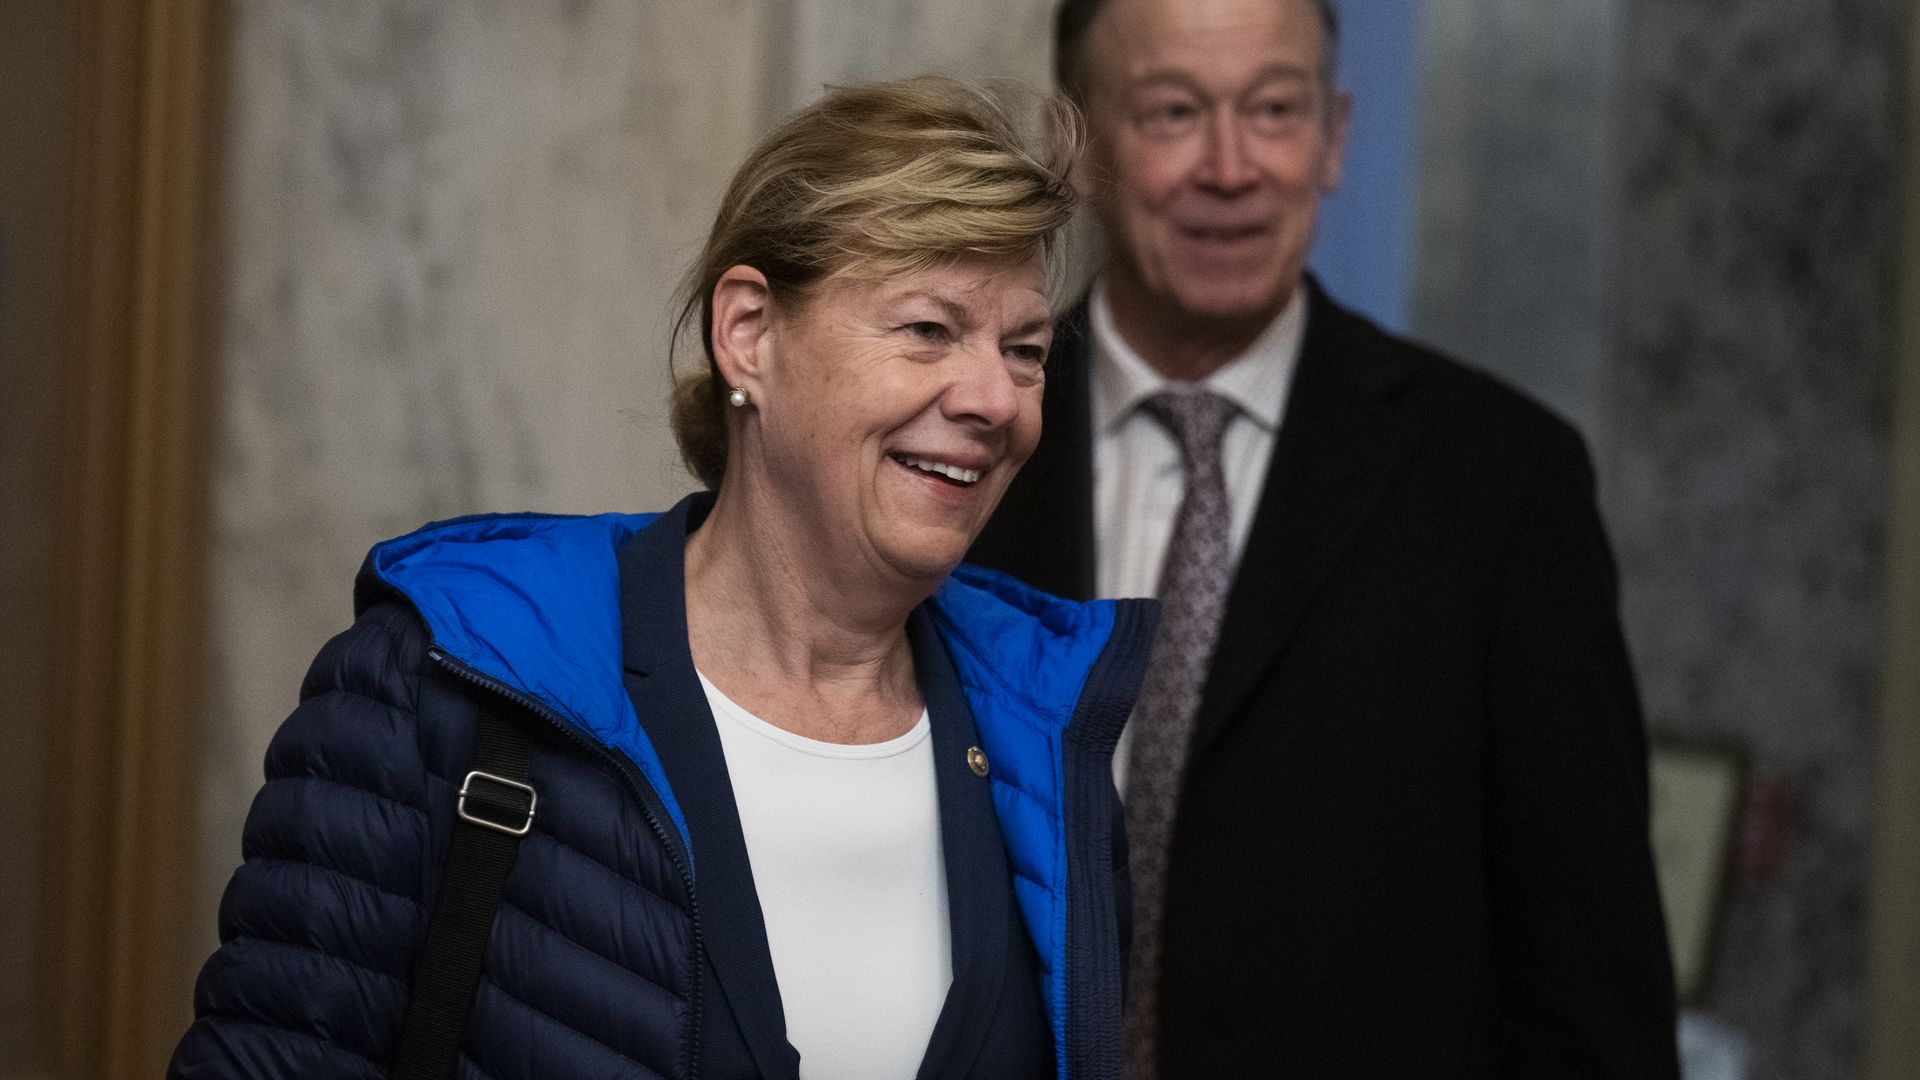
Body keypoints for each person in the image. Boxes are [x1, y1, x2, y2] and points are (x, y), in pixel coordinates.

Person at [170, 76, 1154, 1080]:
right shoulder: (446, 679)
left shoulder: (1049, 745)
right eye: (929, 330)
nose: (996, 398)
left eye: (1024, 350)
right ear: (749, 334)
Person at [968, 1, 1683, 1076]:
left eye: (1275, 109)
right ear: (1078, 146)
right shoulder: (959, 445)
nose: (1232, 166)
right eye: (1173, 112)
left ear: (1335, 136)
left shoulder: (1498, 484)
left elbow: (1592, 983)